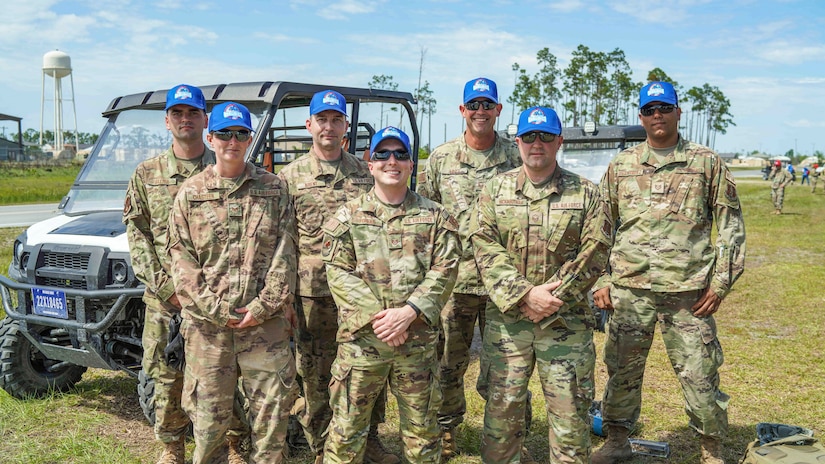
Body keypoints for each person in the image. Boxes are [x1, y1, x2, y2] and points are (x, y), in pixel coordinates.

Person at [592, 81, 746, 464]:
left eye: (664, 108)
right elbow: (600, 226)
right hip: (630, 291)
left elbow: (731, 225)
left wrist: (722, 281)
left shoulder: (706, 162)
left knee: (700, 374)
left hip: (689, 294)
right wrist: (601, 279)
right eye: (649, 110)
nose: (657, 115)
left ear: (678, 112)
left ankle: (711, 450)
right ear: (640, 116)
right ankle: (616, 441)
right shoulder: (622, 165)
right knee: (621, 373)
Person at [469, 106, 613, 463]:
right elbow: (482, 245)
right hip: (508, 324)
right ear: (517, 141)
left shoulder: (586, 194)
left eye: (546, 136)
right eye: (530, 136)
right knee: (501, 420)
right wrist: (524, 295)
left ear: (559, 141)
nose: (538, 144)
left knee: (570, 421)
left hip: (566, 324)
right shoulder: (494, 190)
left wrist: (552, 297)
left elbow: (595, 251)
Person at [123, 84, 248, 464]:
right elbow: (137, 234)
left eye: (192, 112)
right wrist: (166, 287)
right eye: (177, 113)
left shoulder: (226, 168)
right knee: (167, 373)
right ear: (167, 121)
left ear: (205, 121)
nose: (185, 119)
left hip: (217, 298)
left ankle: (235, 443)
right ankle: (172, 446)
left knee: (228, 374)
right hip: (167, 300)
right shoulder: (147, 174)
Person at [168, 101, 298, 463]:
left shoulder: (274, 189)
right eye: (224, 133)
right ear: (210, 138)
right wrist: (218, 311)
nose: (232, 141)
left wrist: (262, 307)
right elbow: (182, 263)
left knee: (271, 422)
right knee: (209, 424)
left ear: (249, 139)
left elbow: (286, 255)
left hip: (264, 330)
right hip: (210, 332)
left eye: (240, 134)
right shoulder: (190, 194)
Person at [322, 126, 461, 464]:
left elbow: (446, 270)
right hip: (363, 344)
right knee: (346, 433)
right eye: (382, 154)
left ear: (412, 165)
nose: (391, 161)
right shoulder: (348, 217)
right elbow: (337, 272)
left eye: (400, 154)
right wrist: (383, 319)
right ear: (370, 164)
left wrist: (409, 313)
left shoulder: (436, 216)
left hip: (416, 345)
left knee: (423, 435)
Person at [278, 90, 398, 464]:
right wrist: (285, 300)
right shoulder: (289, 178)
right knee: (315, 375)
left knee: (368, 369)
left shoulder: (365, 173)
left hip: (363, 294)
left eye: (336, 119)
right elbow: (282, 241)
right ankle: (323, 447)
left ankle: (370, 438)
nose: (329, 127)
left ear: (346, 126)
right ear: (309, 124)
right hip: (313, 295)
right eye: (322, 119)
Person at [416, 77, 522, 460]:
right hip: (454, 284)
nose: (480, 111)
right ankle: (446, 430)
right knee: (447, 365)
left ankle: (504, 436)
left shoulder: (516, 156)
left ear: (498, 110)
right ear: (462, 110)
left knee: (505, 366)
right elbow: (424, 215)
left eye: (487, 104)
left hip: (503, 285)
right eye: (473, 104)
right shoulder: (441, 159)